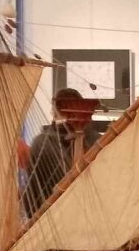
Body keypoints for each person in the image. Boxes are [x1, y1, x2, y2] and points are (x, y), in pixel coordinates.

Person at [24, 88, 101, 216]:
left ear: (55, 113)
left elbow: (32, 198)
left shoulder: (40, 144)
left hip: (52, 219)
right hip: (91, 217)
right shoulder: (98, 141)